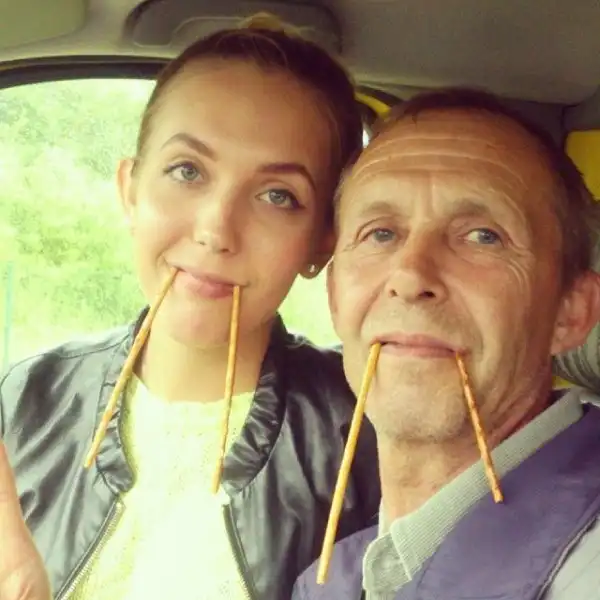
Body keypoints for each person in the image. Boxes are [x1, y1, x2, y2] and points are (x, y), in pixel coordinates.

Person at [0, 14, 380, 600]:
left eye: (278, 196)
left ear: (321, 243)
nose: (215, 229)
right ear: (130, 189)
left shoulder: (365, 439)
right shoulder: (25, 400)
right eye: (187, 171)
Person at [293, 87, 600, 599]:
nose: (410, 275)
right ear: (334, 296)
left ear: (570, 311)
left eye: (483, 236)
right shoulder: (336, 576)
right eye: (380, 233)